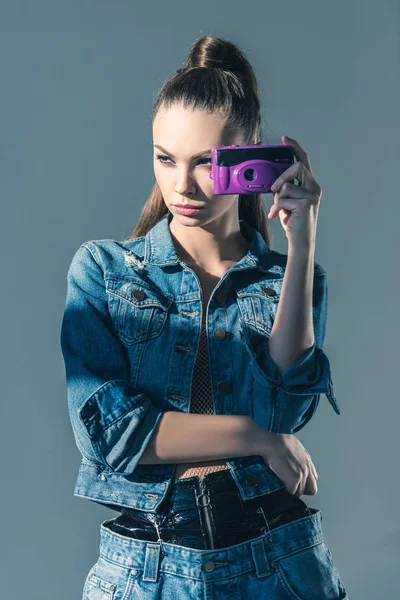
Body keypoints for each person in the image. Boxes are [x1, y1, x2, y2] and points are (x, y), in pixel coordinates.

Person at [61, 35, 349, 599]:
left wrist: (303, 239)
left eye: (203, 163)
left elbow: (287, 404)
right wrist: (255, 438)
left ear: (249, 158)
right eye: (165, 158)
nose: (181, 185)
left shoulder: (293, 280)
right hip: (148, 562)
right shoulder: (105, 270)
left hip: (276, 557)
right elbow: (112, 433)